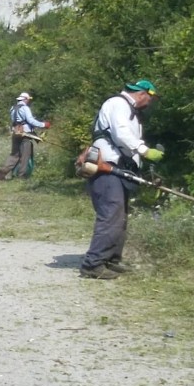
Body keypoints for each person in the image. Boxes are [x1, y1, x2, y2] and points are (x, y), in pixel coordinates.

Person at [79, 79, 163, 280]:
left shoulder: (130, 110)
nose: (150, 103)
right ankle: (93, 264)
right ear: (143, 93)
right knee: (111, 214)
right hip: (106, 167)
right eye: (150, 99)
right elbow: (121, 133)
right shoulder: (118, 103)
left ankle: (111, 259)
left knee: (120, 215)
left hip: (118, 168)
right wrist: (144, 150)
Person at [0, 92, 50, 180]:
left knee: (15, 154)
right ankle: (21, 176)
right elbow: (31, 121)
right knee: (25, 156)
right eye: (28, 99)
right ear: (25, 99)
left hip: (15, 132)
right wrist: (44, 124)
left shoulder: (12, 108)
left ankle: (4, 170)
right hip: (25, 134)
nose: (29, 101)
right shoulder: (25, 108)